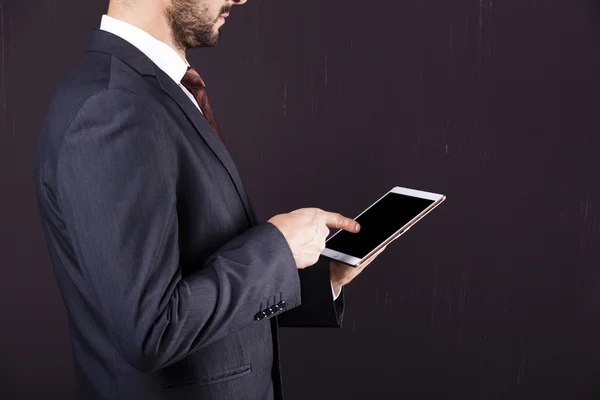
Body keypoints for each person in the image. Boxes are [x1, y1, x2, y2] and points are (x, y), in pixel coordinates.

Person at [33, 0, 386, 399]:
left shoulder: (150, 89)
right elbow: (151, 329)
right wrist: (277, 251)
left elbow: (190, 278)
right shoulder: (113, 107)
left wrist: (316, 282)